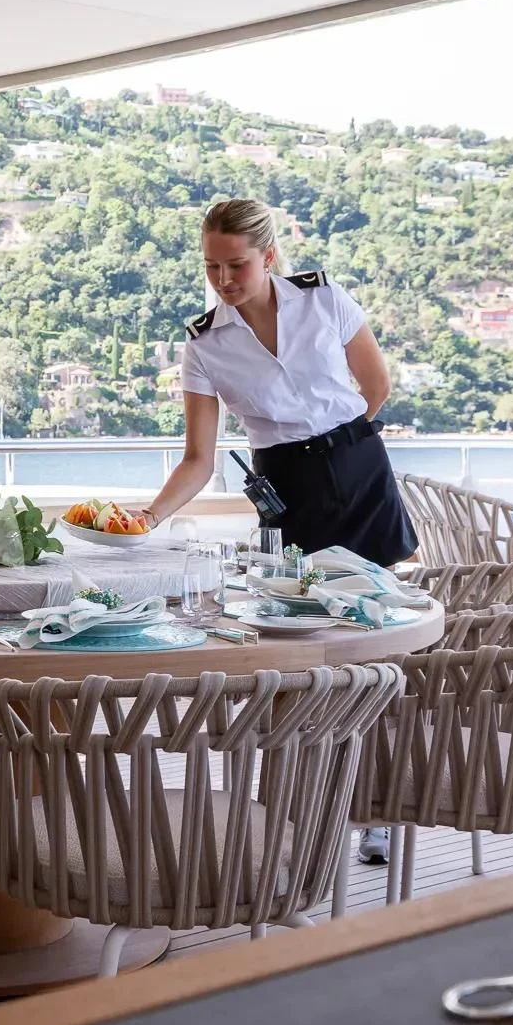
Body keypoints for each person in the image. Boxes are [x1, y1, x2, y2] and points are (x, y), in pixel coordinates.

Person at [134, 197, 417, 865]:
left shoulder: (324, 301)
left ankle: (375, 810)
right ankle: (294, 809)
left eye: (236, 264)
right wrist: (143, 521)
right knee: (298, 650)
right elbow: (199, 460)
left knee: (376, 647)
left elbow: (375, 384)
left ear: (268, 256)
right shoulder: (204, 345)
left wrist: (339, 447)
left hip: (358, 469)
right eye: (211, 266)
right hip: (287, 489)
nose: (223, 279)